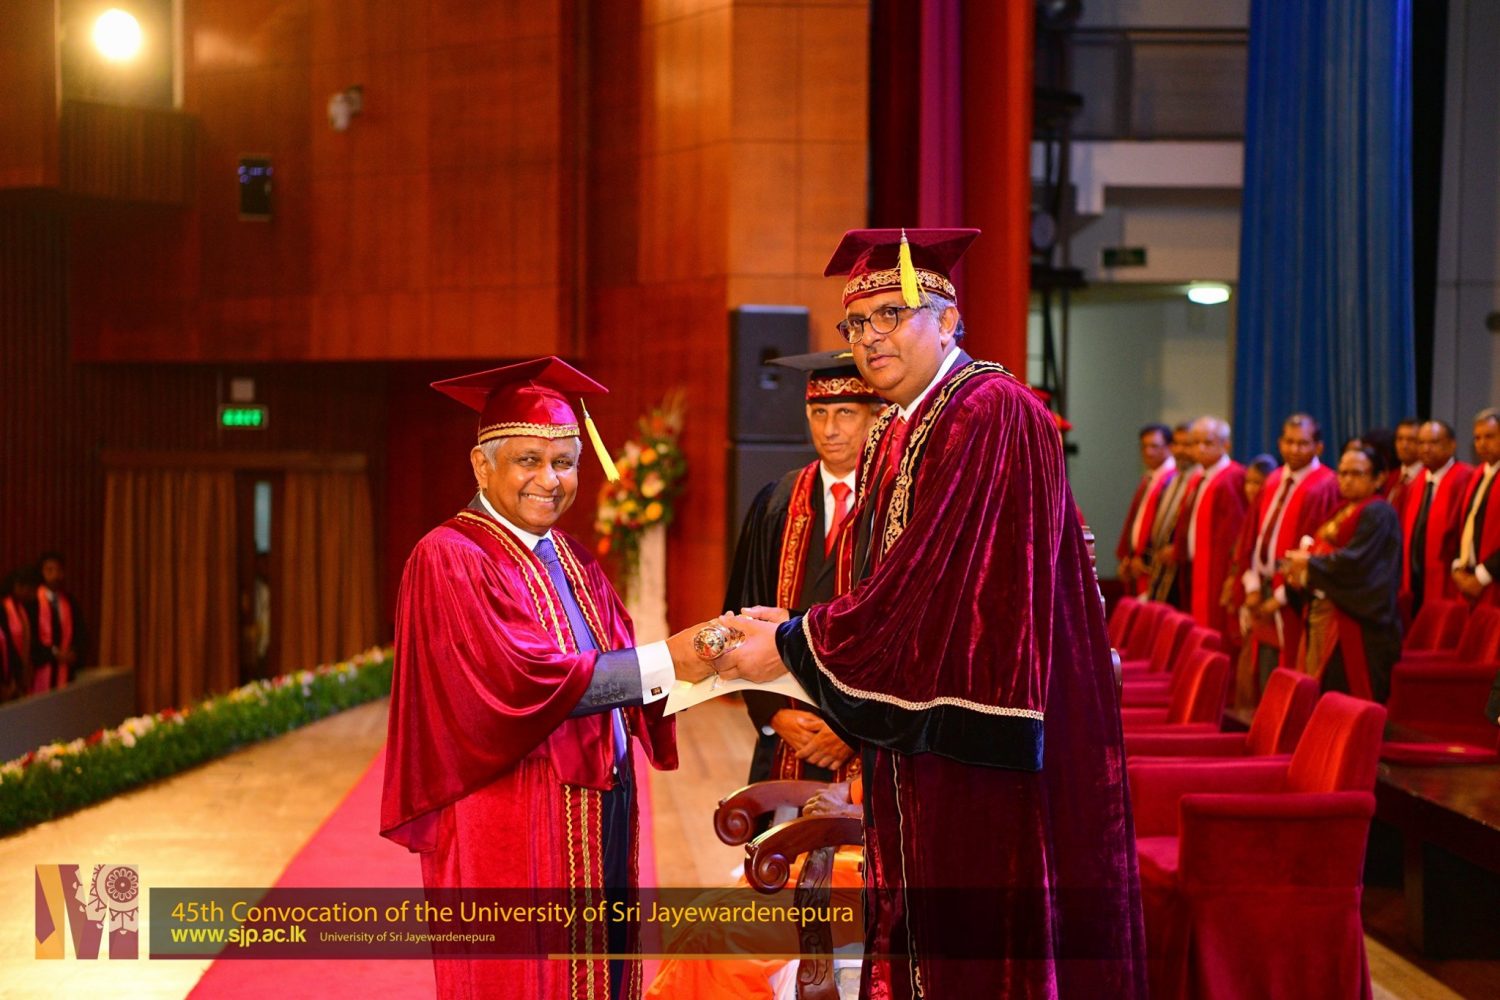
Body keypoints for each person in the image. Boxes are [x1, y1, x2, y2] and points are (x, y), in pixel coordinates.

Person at [704, 228, 1147, 998]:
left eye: (892, 314)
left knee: (980, 948)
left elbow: (928, 586)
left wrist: (792, 643)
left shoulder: (990, 410)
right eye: (856, 322)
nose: (870, 337)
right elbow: (882, 582)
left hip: (981, 743)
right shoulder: (902, 425)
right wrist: (800, 625)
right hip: (926, 738)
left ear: (948, 320)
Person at [380, 357, 707, 1000]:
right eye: (528, 460)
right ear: (481, 466)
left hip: (600, 799)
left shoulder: (572, 557)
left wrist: (721, 662)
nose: (549, 480)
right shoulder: (450, 557)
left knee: (600, 968)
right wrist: (676, 659)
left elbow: (625, 663)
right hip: (510, 811)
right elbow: (520, 681)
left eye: (564, 462)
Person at [724, 350, 882, 786]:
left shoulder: (895, 501)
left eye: (845, 413)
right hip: (788, 735)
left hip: (870, 741)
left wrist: (853, 728)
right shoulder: (777, 501)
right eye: (818, 413)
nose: (829, 429)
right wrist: (773, 714)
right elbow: (741, 616)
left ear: (876, 417)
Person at [1285, 446, 1403, 702]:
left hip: (1358, 622)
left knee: (1346, 698)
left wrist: (1310, 564)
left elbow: (1357, 563)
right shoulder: (1341, 509)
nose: (1347, 480)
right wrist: (1302, 570)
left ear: (1379, 478)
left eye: (1357, 474)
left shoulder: (1378, 512)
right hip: (1326, 614)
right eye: (1343, 473)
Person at [1240, 415, 1341, 685]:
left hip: (1294, 595)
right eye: (1289, 441)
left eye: (1303, 443)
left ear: (1318, 447)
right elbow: (1251, 535)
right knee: (1263, 669)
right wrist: (1252, 586)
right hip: (1262, 587)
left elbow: (1319, 549)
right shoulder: (1273, 480)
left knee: (1290, 669)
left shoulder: (1326, 485)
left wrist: (1281, 596)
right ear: (1279, 443)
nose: (1294, 449)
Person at [1173, 416, 1248, 649]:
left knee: (1217, 633)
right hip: (1194, 567)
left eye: (1208, 442)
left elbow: (1235, 533)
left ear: (1226, 445)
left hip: (1218, 572)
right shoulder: (1198, 477)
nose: (1200, 448)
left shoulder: (1232, 477)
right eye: (1195, 443)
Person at [1401, 420, 1473, 620]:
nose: (1425, 448)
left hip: (1448, 578)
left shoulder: (1465, 477)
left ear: (1452, 445)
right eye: (1421, 443)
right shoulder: (1417, 481)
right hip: (1415, 576)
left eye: (1433, 442)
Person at [1221, 453, 1277, 706]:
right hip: (1245, 596)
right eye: (1249, 482)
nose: (1252, 489)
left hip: (1265, 599)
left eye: (1259, 483)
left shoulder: (1267, 515)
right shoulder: (1247, 514)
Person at [1116, 423, 1176, 596]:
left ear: (1169, 447)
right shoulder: (1149, 478)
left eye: (1155, 446)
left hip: (1153, 565)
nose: (1148, 452)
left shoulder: (1172, 480)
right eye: (1144, 446)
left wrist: (1145, 558)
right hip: (1137, 563)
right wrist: (1129, 555)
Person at [1144, 422, 1198, 605]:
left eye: (1187, 444)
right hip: (1163, 564)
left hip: (1185, 567)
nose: (1180, 450)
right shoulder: (1173, 479)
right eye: (1177, 444)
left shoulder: (1199, 480)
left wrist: (1179, 548)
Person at [1451, 408, 1500, 608]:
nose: (1482, 443)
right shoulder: (1478, 474)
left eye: (1489, 436)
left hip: (1492, 579)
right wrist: (1458, 565)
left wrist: (1482, 575)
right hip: (1470, 576)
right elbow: (1465, 525)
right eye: (1477, 438)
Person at [35, 552, 86, 689]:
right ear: (41, 572)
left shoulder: (69, 601)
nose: (55, 575)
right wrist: (54, 653)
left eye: (58, 570)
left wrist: (73, 651)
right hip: (42, 666)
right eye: (49, 570)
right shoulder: (33, 602)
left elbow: (80, 632)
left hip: (66, 669)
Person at [1389, 418, 1424, 511]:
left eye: (1411, 440)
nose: (1404, 445)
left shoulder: (1428, 479)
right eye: (1400, 439)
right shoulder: (1391, 477)